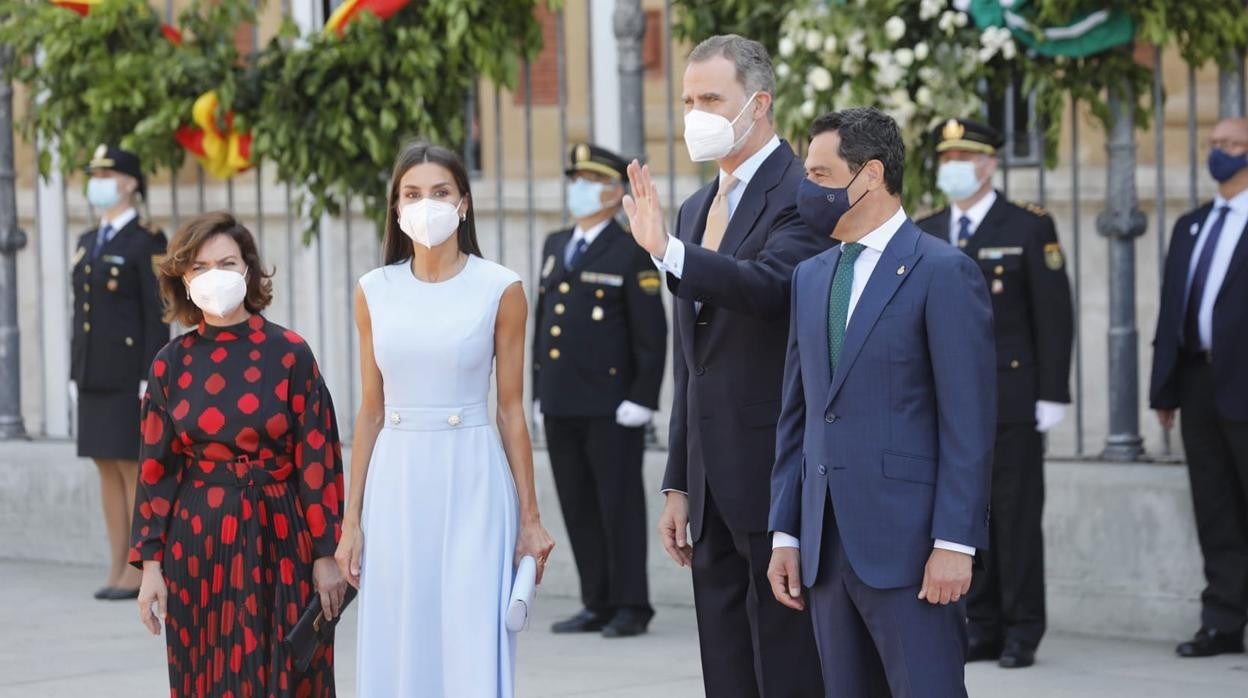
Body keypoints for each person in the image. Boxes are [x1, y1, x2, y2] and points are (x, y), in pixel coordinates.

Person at [621, 33, 827, 697]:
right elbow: (694, 361)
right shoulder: (691, 207)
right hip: (710, 484)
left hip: (774, 477)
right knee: (727, 671)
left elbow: (768, 286)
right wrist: (680, 481)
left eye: (711, 98)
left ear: (758, 104)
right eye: (687, 100)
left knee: (786, 668)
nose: (694, 114)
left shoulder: (802, 192)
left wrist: (672, 255)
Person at [767, 108, 995, 697]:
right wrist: (786, 534)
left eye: (819, 175)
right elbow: (800, 414)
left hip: (912, 552)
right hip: (825, 549)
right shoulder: (810, 276)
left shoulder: (944, 271)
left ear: (868, 175)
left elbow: (967, 423)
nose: (804, 190)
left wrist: (955, 543)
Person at [336, 142, 556, 697]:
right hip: (397, 479)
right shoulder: (373, 290)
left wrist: (530, 518)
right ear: (395, 207)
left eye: (440, 192)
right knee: (398, 628)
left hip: (474, 478)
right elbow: (370, 409)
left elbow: (511, 410)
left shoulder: (500, 288)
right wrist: (350, 520)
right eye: (412, 194)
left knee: (469, 630)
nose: (425, 204)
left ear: (463, 205)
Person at [130, 212, 347, 696]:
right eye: (200, 267)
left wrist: (326, 554)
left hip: (282, 539)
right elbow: (155, 472)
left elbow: (319, 460)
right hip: (197, 544)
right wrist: (150, 569)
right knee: (205, 676)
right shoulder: (171, 365)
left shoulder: (291, 354)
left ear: (248, 271)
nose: (214, 276)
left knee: (289, 673)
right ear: (183, 280)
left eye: (226, 263)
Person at [916, 117, 1074, 669]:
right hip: (942, 403)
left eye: (964, 157)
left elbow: (1054, 316)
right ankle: (978, 622)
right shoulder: (927, 228)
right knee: (964, 517)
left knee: (1015, 514)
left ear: (989, 164)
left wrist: (1052, 391)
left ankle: (1022, 627)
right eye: (946, 158)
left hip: (1010, 397)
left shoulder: (1028, 225)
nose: (952, 168)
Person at [534, 143, 667, 638]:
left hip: (613, 407)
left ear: (614, 193)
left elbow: (651, 331)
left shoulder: (632, 247)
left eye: (590, 182)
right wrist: (537, 387)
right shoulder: (555, 244)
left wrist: (643, 397)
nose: (580, 190)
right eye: (576, 180)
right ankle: (597, 600)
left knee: (619, 506)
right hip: (562, 401)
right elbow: (543, 324)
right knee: (578, 506)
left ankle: (631, 604)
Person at [1150, 116, 1248, 659]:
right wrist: (1164, 389)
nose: (1221, 154)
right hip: (1199, 383)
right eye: (1215, 145)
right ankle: (1224, 619)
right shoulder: (1192, 224)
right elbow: (1173, 312)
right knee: (1214, 507)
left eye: (1233, 145)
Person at [70, 144, 169, 600]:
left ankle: (136, 570)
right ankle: (114, 565)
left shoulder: (147, 242)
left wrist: (152, 374)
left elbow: (157, 314)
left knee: (132, 468)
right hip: (95, 373)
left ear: (129, 182)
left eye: (108, 173)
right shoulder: (88, 241)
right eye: (95, 173)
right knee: (104, 466)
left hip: (131, 375)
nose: (100, 181)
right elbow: (81, 314)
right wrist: (76, 371)